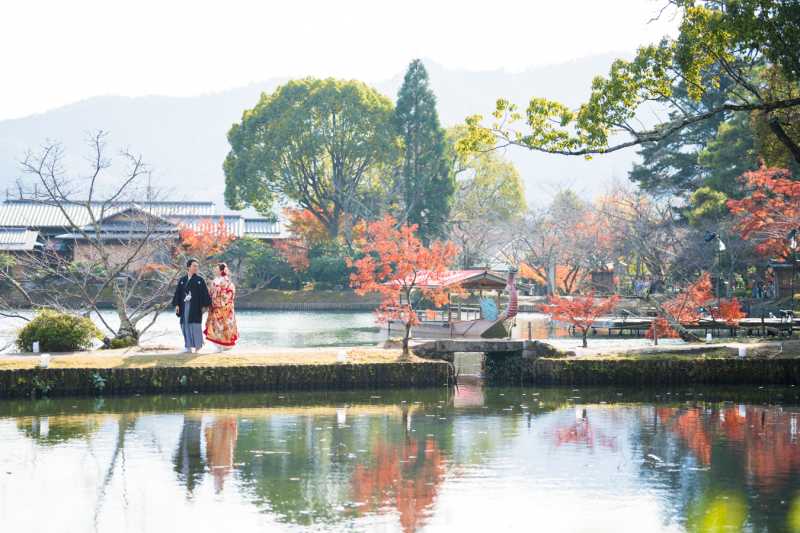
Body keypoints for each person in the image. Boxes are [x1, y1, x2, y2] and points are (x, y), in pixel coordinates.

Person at [172, 259, 212, 354]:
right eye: (194, 266)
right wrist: (177, 305)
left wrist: (204, 306)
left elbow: (204, 294)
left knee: (195, 326)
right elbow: (178, 293)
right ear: (188, 267)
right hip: (184, 305)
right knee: (185, 325)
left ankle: (198, 346)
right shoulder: (182, 280)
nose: (196, 268)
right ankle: (188, 346)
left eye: (197, 266)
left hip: (195, 306)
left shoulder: (200, 280)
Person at [204, 262, 239, 352]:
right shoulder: (214, 281)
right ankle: (219, 345)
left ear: (221, 271)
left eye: (216, 268)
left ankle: (224, 345)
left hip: (224, 308)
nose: (215, 270)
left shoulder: (226, 281)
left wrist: (221, 290)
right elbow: (210, 293)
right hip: (214, 306)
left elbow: (231, 292)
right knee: (216, 325)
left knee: (224, 325)